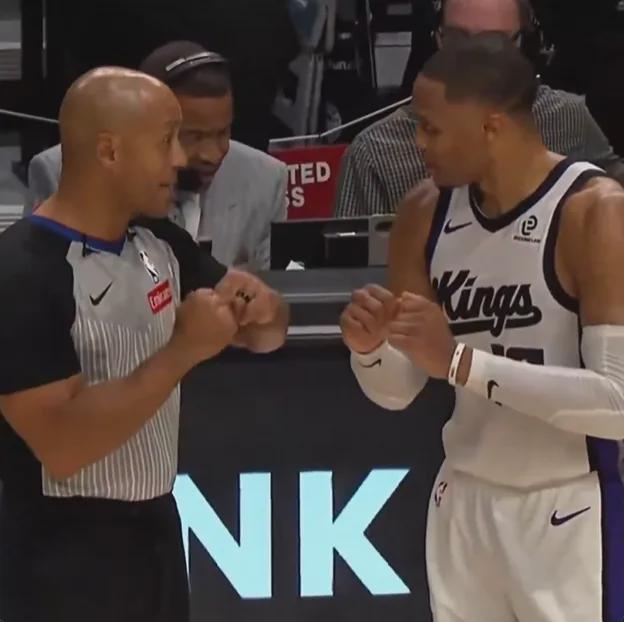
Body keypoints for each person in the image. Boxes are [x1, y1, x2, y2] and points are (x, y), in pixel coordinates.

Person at [341, 35, 624, 621]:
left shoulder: (594, 211)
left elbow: (618, 404)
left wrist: (461, 363)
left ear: (491, 126)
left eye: (431, 128)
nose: (419, 144)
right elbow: (398, 391)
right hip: (463, 500)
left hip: (568, 506)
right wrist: (370, 352)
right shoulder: (423, 212)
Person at [0, 67, 288, 622]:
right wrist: (181, 351)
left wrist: (266, 310)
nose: (181, 159)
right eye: (166, 141)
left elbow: (266, 334)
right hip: (60, 556)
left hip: (155, 533)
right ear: (109, 151)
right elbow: (63, 445)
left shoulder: (158, 241)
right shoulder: (21, 273)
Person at [334, 0, 624, 219]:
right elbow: (349, 274)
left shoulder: (567, 119)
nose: (471, 61)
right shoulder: (374, 154)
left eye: (492, 44)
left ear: (523, 43)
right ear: (438, 37)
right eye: (458, 39)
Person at [26, 41, 288, 272]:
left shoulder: (266, 179)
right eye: (192, 137)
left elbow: (263, 288)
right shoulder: (66, 171)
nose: (213, 154)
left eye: (223, 132)